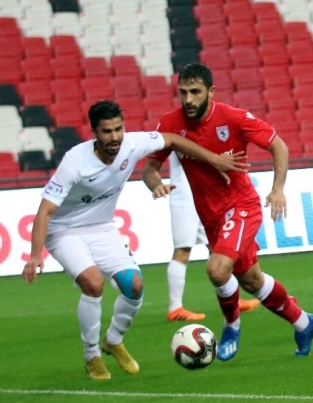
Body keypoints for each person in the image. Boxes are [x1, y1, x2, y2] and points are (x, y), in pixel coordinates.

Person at [21, 100, 248, 380]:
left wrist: (212, 159)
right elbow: (45, 211)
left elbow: (174, 139)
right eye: (107, 131)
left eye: (119, 129)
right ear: (94, 132)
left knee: (135, 286)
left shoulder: (132, 143)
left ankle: (113, 341)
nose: (115, 137)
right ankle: (92, 356)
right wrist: (35, 255)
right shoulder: (75, 162)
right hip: (66, 231)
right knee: (93, 283)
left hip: (103, 228)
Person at [143, 63, 313, 360]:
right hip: (211, 216)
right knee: (252, 280)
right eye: (183, 92)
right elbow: (150, 169)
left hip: (241, 206)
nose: (188, 99)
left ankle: (231, 326)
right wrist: (155, 184)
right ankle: (304, 322)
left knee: (216, 269)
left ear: (210, 92)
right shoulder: (170, 123)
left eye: (195, 92)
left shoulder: (234, 118)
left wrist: (278, 189)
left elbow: (279, 146)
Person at [165, 152, 260, 321]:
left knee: (216, 248)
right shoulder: (176, 130)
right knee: (183, 249)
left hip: (205, 195)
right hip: (184, 196)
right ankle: (175, 307)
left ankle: (233, 299)